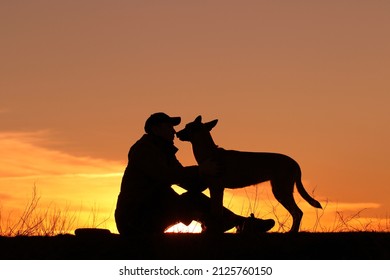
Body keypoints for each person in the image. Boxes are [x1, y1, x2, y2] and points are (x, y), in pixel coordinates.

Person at [115, 112, 275, 235]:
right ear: (156, 129)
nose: (174, 131)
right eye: (169, 126)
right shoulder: (143, 150)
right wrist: (201, 170)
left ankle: (234, 223)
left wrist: (211, 176)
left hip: (152, 211)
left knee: (194, 197)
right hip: (134, 218)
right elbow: (165, 175)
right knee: (192, 199)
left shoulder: (165, 152)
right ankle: (235, 224)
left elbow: (187, 182)